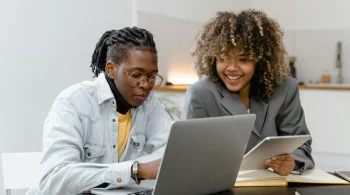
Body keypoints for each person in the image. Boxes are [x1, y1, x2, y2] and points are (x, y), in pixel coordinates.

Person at [27, 27, 173, 195]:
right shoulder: (73, 102)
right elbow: (55, 179)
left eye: (152, 76)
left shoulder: (149, 105)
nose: (146, 84)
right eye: (136, 75)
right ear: (111, 69)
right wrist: (134, 171)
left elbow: (169, 154)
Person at [183, 10, 314, 176]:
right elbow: (190, 156)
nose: (231, 68)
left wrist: (291, 162)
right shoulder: (200, 94)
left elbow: (302, 145)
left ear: (260, 60)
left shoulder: (285, 89)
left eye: (243, 59)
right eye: (223, 58)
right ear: (212, 58)